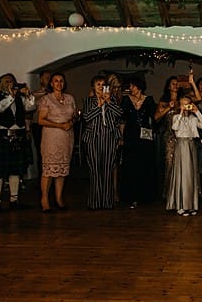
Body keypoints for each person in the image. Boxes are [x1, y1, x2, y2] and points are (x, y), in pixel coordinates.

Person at [0, 73, 36, 211]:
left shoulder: (19, 98)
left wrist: (28, 95)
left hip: (18, 136)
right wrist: (11, 96)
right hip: (1, 136)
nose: (10, 83)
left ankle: (14, 200)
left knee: (15, 169)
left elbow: (30, 107)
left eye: (12, 81)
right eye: (7, 81)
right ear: (1, 84)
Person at [81, 75, 123, 210]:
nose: (100, 87)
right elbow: (86, 117)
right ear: (93, 87)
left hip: (109, 137)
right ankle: (95, 202)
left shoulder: (113, 99)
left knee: (108, 169)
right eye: (98, 84)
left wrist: (108, 101)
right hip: (93, 138)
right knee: (94, 169)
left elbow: (119, 114)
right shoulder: (88, 100)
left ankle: (107, 201)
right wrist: (99, 105)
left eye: (103, 84)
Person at [37, 72, 76, 211]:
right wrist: (60, 125)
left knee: (62, 170)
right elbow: (40, 120)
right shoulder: (46, 99)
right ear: (51, 84)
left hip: (67, 138)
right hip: (51, 137)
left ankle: (59, 199)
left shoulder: (70, 98)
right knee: (49, 170)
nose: (59, 83)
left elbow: (74, 116)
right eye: (56, 81)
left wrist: (71, 122)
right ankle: (44, 199)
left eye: (61, 81)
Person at [119, 76, 157, 208]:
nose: (131, 88)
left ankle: (145, 196)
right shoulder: (126, 100)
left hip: (145, 136)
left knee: (144, 164)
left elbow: (154, 117)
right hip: (130, 135)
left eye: (133, 86)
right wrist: (121, 137)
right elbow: (122, 120)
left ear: (139, 87)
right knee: (131, 165)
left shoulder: (149, 100)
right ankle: (131, 196)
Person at [168, 96, 202, 216]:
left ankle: (191, 205)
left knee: (191, 174)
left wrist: (197, 112)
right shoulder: (176, 117)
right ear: (179, 106)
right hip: (181, 145)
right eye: (182, 105)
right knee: (181, 173)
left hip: (191, 145)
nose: (185, 107)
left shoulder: (193, 118)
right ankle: (180, 205)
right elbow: (174, 127)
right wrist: (180, 114)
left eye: (187, 105)